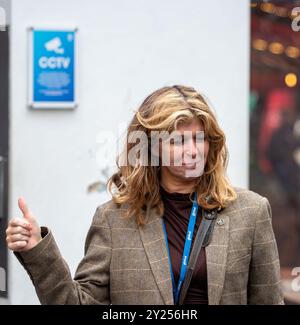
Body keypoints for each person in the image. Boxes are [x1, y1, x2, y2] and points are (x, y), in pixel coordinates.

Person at [6, 85, 284, 305]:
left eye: (199, 138)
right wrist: (37, 250)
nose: (193, 151)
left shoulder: (251, 212)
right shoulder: (114, 219)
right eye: (178, 141)